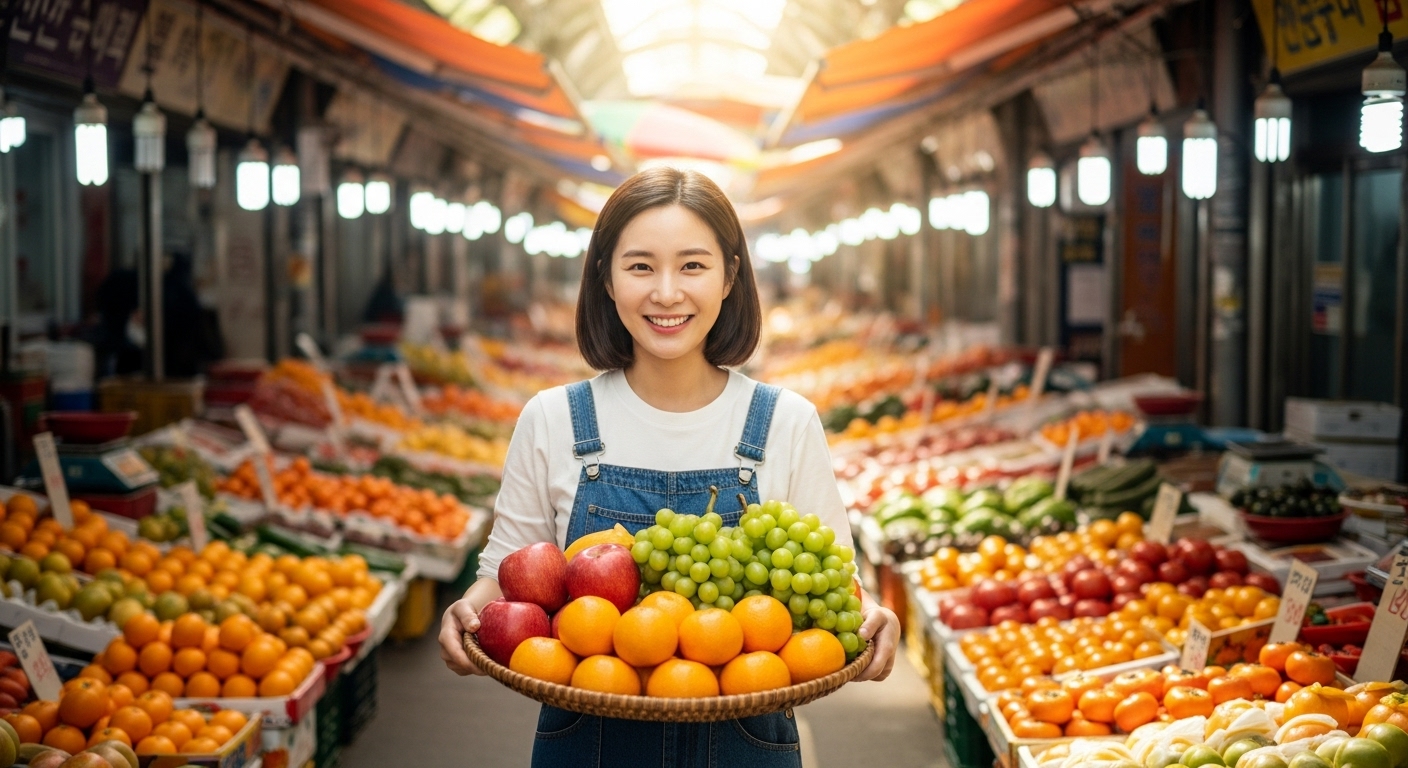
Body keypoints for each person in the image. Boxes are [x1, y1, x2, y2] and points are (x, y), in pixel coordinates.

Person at [438, 168, 899, 767]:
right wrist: (470, 608)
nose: (666, 292)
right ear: (605, 277)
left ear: (731, 276)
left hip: (748, 744)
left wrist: (873, 619)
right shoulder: (553, 419)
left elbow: (838, 584)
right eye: (639, 266)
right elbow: (508, 571)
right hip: (588, 739)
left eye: (692, 265)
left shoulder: (786, 421)